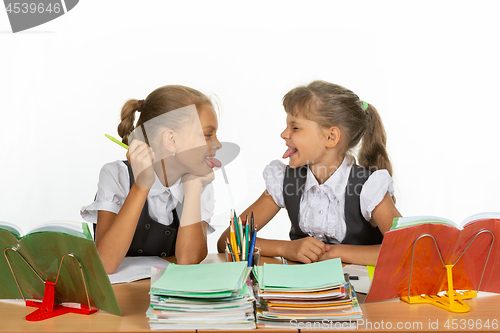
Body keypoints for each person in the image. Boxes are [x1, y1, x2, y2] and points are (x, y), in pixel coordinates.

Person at [217, 80, 401, 266]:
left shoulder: (368, 186)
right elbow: (229, 241)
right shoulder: (286, 181)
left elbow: (406, 249)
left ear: (331, 137)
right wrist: (286, 249)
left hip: (360, 293)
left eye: (295, 127)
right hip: (301, 290)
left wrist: (332, 253)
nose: (284, 134)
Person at [81, 85, 221, 273]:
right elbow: (104, 264)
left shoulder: (200, 181)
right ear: (171, 140)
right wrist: (142, 185)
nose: (218, 144)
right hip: (123, 297)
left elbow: (188, 260)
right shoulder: (117, 175)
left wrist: (194, 187)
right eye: (208, 135)